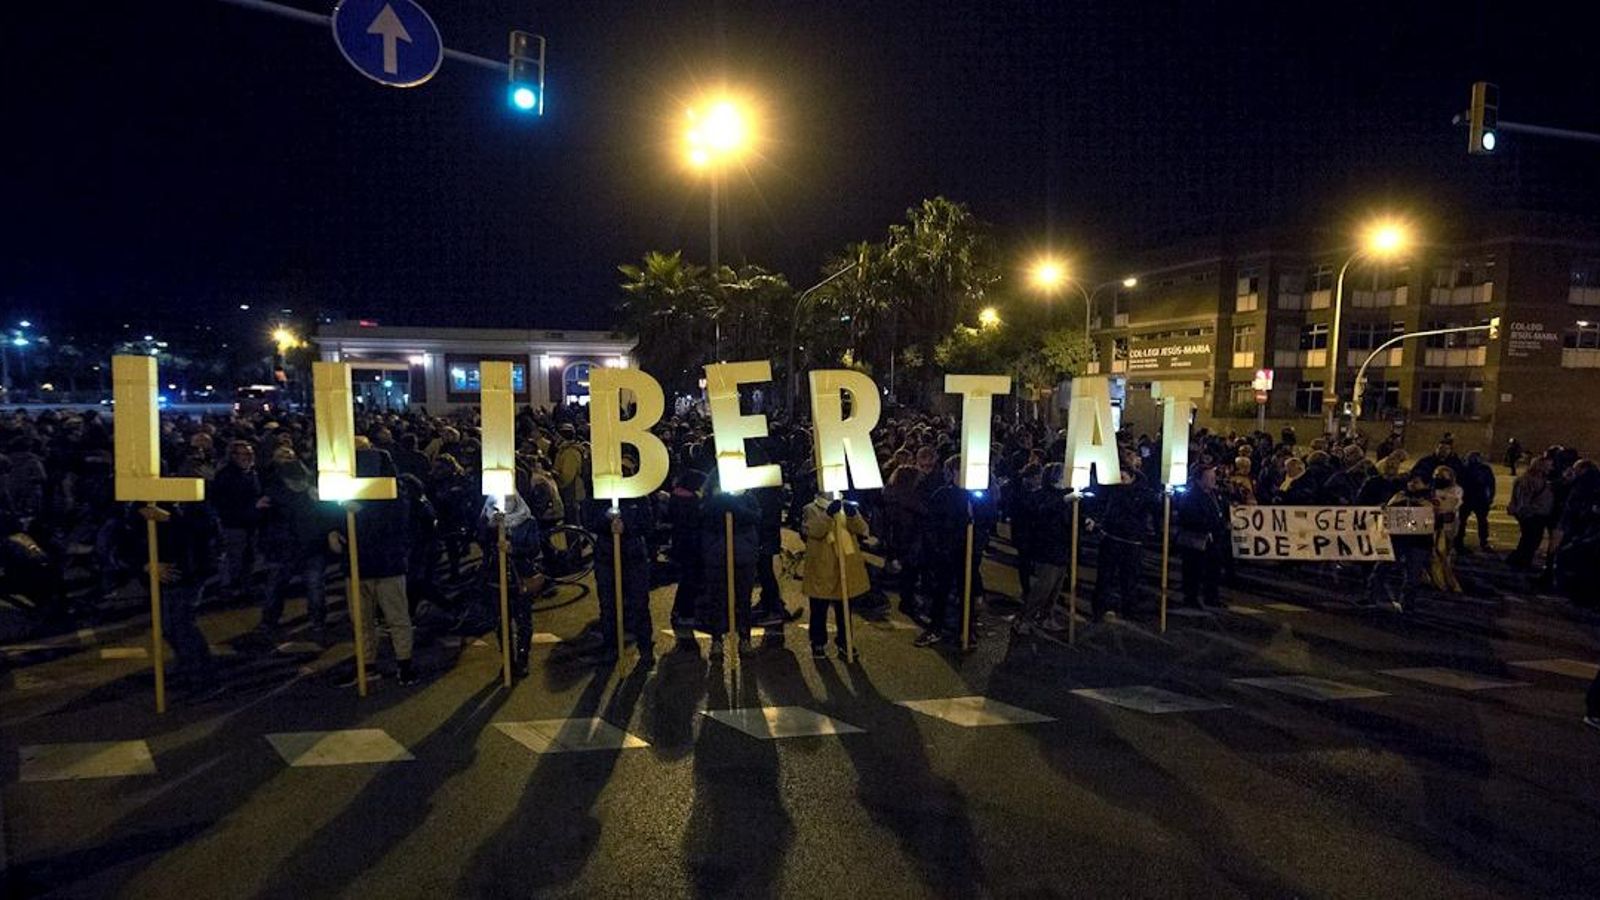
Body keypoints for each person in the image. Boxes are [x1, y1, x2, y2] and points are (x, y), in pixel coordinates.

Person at [339, 449, 416, 686]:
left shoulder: (395, 492)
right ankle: (367, 665)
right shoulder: (348, 491)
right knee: (362, 622)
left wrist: (360, 514)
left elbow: (393, 524)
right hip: (359, 566)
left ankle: (404, 665)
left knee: (396, 618)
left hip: (385, 566)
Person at [257, 450, 333, 644]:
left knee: (281, 586)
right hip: (298, 546)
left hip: (294, 546)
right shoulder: (307, 490)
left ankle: (271, 622)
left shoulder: (274, 489)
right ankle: (315, 623)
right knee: (306, 587)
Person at [584, 479, 656, 668]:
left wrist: (627, 527)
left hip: (634, 556)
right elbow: (588, 518)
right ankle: (611, 648)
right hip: (606, 556)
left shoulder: (638, 494)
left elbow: (647, 524)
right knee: (608, 605)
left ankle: (646, 648)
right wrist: (605, 520)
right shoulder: (599, 493)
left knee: (639, 604)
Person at [800, 492, 870, 661]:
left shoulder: (847, 506)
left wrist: (852, 515)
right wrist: (828, 514)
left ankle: (845, 641)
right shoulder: (810, 508)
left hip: (845, 565)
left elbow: (863, 530)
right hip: (822, 566)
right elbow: (814, 531)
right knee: (819, 608)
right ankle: (818, 642)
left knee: (844, 608)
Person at [1091, 459, 1154, 621]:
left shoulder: (1142, 492)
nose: (1120, 481)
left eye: (1123, 477)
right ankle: (1100, 609)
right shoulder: (1112, 488)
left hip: (1131, 541)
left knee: (1129, 578)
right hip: (1111, 537)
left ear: (1131, 477)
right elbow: (1101, 503)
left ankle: (1129, 609)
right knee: (1105, 577)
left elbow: (1146, 508)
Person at [1364, 473, 1435, 612]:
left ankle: (1407, 604)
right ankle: (1372, 596)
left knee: (1413, 575)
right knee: (1381, 569)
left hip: (1418, 542)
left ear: (1426, 485)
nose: (1413, 484)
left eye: (1417, 482)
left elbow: (1437, 520)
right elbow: (1387, 514)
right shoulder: (1399, 496)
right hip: (1397, 539)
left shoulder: (1430, 500)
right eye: (1411, 482)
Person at [211, 440, 265, 601]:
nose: (246, 457)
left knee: (248, 557)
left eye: (249, 454)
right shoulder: (227, 476)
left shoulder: (252, 473)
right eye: (242, 454)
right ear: (233, 456)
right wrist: (254, 506)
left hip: (249, 523)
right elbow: (226, 503)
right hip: (233, 524)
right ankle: (229, 589)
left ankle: (245, 587)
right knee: (234, 558)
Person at [1176, 465, 1229, 610]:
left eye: (1213, 477)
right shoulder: (1190, 496)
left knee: (1213, 569)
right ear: (1199, 480)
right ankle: (1191, 598)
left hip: (1213, 539)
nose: (1213, 480)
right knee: (1193, 570)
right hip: (1196, 539)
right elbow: (1189, 517)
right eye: (1209, 477)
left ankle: (1211, 596)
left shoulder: (1215, 494)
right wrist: (1210, 524)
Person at [1507, 458, 1555, 569]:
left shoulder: (1539, 479)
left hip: (1536, 514)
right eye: (1548, 465)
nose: (1551, 468)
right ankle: (1520, 561)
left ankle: (1521, 560)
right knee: (1530, 539)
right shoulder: (1528, 480)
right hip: (1532, 514)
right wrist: (1527, 511)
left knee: (1530, 539)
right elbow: (1523, 499)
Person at [1427, 465, 1463, 593]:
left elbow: (1451, 505)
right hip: (1432, 524)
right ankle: (1437, 581)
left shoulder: (1456, 490)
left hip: (1447, 525)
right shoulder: (1429, 489)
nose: (1439, 478)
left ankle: (1449, 581)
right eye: (1437, 475)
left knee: (1444, 553)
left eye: (1443, 476)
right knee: (1433, 554)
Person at [1458, 451, 1496, 552]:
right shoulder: (1468, 469)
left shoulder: (1466, 468)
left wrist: (1490, 497)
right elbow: (1491, 484)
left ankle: (1480, 541)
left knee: (1474, 520)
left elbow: (1491, 484)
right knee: (1466, 521)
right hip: (1472, 498)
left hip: (1475, 498)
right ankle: (1461, 541)